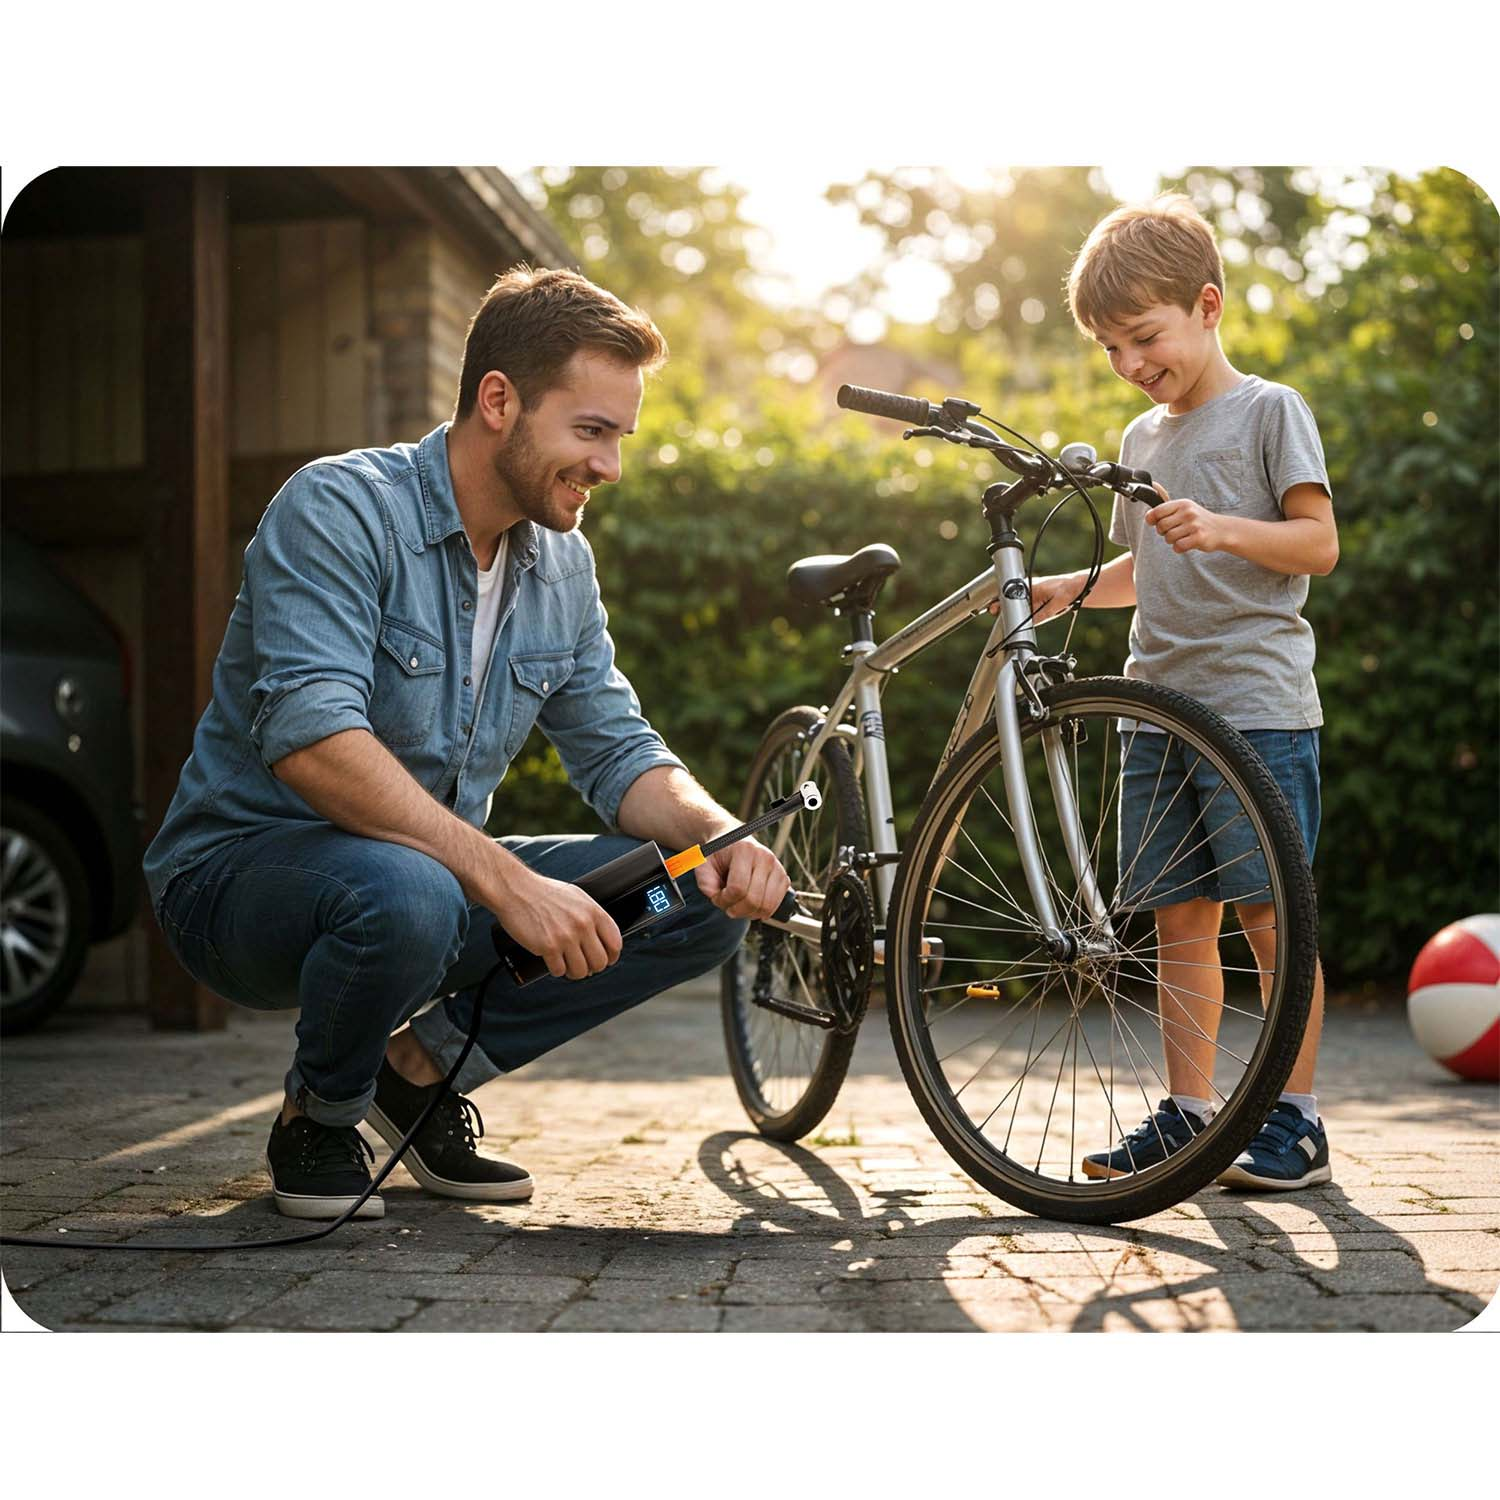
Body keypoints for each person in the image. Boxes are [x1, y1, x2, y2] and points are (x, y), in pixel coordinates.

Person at [143, 266, 790, 1220]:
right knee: (412, 888)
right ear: (500, 401)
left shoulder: (561, 566)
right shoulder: (340, 510)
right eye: (592, 431)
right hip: (241, 885)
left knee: (687, 891)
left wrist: (722, 832)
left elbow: (615, 748)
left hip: (434, 894)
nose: (611, 466)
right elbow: (313, 740)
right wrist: (508, 881)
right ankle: (319, 1115)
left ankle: (418, 1073)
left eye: (621, 437)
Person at [1031, 195, 1339, 1190]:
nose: (1130, 363)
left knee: (1270, 918)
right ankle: (1191, 1113)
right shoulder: (1140, 433)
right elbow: (1141, 575)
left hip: (1255, 708)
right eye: (1112, 346)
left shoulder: (1270, 410)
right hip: (1157, 710)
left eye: (1145, 336)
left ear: (1207, 307)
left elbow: (1318, 545)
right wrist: (1066, 591)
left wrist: (1226, 528)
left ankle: (1295, 1119)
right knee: (1178, 918)